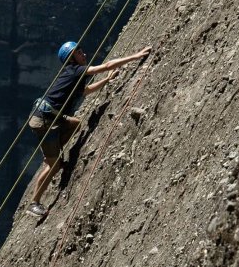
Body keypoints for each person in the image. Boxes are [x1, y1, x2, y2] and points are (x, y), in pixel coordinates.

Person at [26, 41, 152, 217]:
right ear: (71, 59)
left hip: (50, 117)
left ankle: (53, 153)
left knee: (75, 124)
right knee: (53, 166)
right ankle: (34, 203)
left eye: (81, 50)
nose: (83, 54)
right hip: (45, 120)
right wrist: (136, 56)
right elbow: (106, 65)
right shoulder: (75, 70)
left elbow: (85, 91)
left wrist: (107, 80)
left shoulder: (74, 74)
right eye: (78, 52)